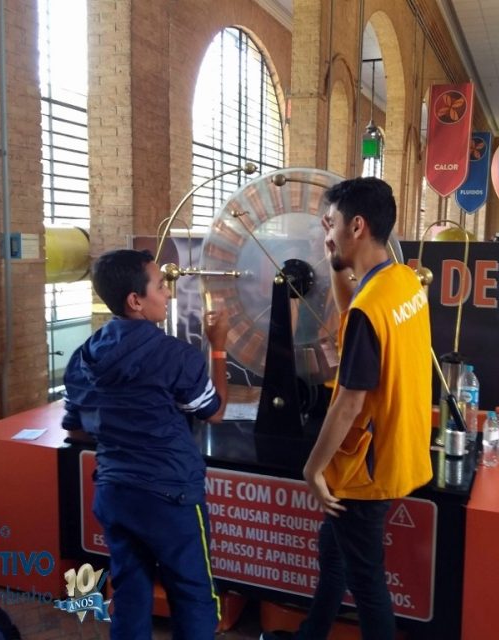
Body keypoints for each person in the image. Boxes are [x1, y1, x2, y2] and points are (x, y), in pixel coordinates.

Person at [261, 177, 433, 640]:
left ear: (357, 226)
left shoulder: (370, 310)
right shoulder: (402, 282)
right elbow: (351, 310)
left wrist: (313, 469)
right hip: (398, 450)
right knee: (334, 551)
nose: (328, 232)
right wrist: (334, 257)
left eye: (332, 223)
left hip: (364, 470)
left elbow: (350, 402)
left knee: (367, 583)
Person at [62, 249, 228, 640]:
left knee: (129, 593)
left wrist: (121, 423)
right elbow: (214, 411)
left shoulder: (83, 357)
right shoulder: (176, 356)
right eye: (159, 286)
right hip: (170, 497)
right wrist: (218, 346)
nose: (167, 293)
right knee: (194, 597)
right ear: (135, 301)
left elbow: (76, 431)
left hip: (115, 494)